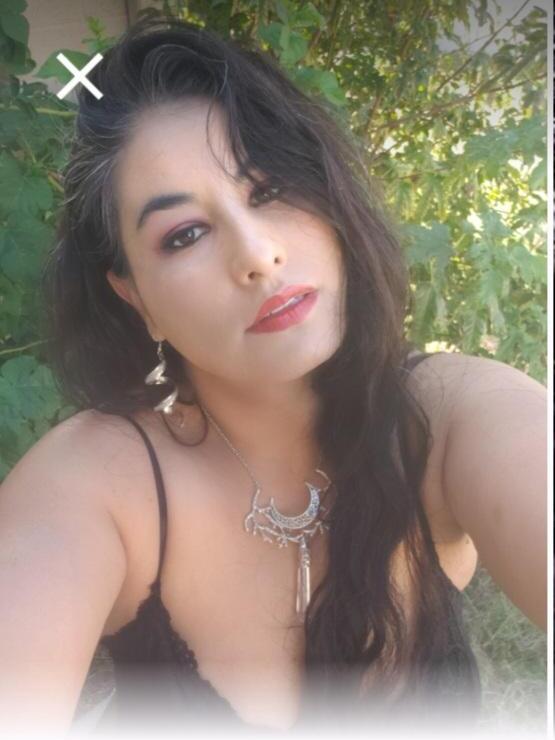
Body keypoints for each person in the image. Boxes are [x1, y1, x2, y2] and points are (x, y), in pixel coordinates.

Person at [0, 17, 546, 740]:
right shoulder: (94, 486)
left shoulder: (445, 419)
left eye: (270, 189)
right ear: (135, 298)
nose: (257, 256)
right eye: (184, 234)